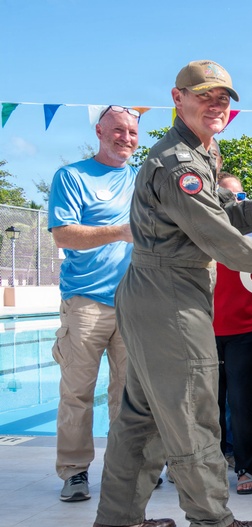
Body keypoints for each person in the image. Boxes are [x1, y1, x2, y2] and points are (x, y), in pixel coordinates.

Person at [89, 60, 252, 527]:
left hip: (159, 289)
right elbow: (217, 238)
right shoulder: (179, 163)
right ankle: (211, 521)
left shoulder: (199, 153)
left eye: (223, 98)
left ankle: (117, 520)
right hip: (169, 294)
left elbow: (215, 216)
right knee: (194, 406)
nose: (216, 105)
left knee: (143, 413)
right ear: (178, 97)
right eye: (205, 95)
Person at [48, 104, 138, 502]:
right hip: (86, 301)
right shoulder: (72, 176)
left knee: (128, 396)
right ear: (99, 131)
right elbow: (64, 235)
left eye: (133, 133)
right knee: (77, 392)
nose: (126, 139)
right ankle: (74, 472)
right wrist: (119, 231)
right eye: (118, 130)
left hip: (134, 303)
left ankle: (124, 471)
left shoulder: (142, 177)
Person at [214, 172, 252, 495]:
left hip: (246, 329)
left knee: (242, 403)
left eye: (240, 197)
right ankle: (210, 464)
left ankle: (247, 466)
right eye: (226, 198)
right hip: (203, 331)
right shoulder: (199, 234)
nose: (235, 204)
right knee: (207, 404)